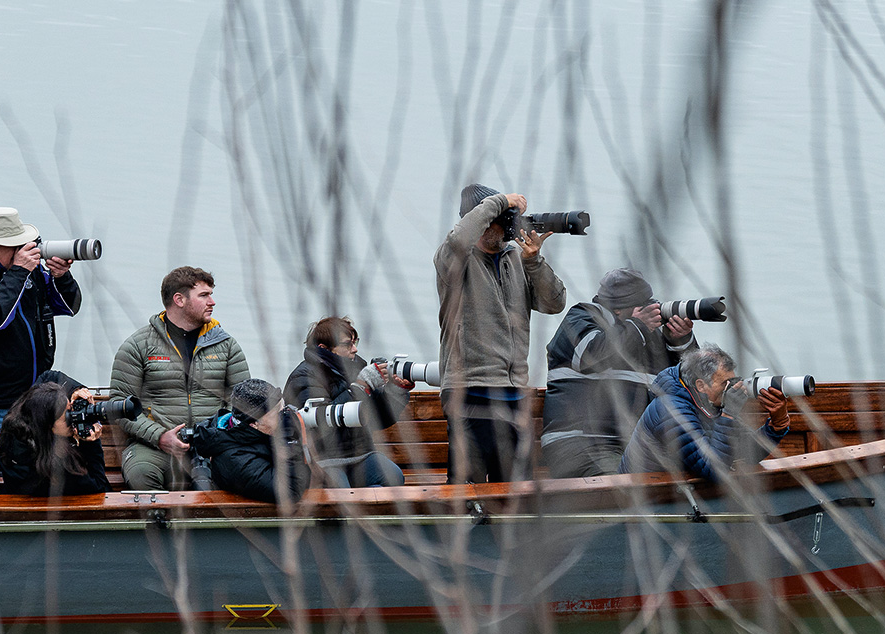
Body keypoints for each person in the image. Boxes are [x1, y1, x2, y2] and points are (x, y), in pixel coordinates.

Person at [434, 183, 568, 483]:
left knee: (515, 493)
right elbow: (460, 237)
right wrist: (501, 201)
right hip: (470, 391)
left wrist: (534, 261)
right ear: (480, 220)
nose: (508, 228)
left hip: (513, 394)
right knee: (467, 494)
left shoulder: (515, 260)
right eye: (501, 220)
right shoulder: (453, 261)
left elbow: (554, 302)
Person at [0, 206, 83, 495]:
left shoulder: (26, 272)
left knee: (34, 482)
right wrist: (20, 271)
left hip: (34, 398)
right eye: (14, 246)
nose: (23, 250)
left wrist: (60, 277)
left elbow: (68, 306)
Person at [541, 268, 694, 479]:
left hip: (632, 445)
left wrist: (681, 342)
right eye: (640, 307)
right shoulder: (583, 317)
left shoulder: (643, 333)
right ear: (618, 310)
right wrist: (638, 326)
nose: (649, 311)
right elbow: (589, 356)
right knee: (623, 483)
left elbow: (693, 383)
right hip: (582, 445)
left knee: (690, 477)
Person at [108, 266, 251, 491]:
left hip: (213, 444)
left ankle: (216, 526)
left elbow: (245, 401)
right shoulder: (137, 346)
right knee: (141, 473)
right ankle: (159, 525)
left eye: (211, 294)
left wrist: (220, 439)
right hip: (156, 446)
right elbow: (120, 406)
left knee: (243, 475)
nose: (212, 302)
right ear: (179, 300)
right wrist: (160, 436)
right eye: (204, 295)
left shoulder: (227, 345)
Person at [618, 344, 791, 482]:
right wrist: (729, 414)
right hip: (648, 501)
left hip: (680, 493)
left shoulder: (710, 402)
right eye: (726, 383)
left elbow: (747, 454)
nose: (731, 388)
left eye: (734, 380)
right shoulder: (670, 409)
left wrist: (778, 424)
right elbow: (713, 470)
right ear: (700, 385)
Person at [282, 316, 412, 488]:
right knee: (340, 493)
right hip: (323, 458)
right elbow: (320, 424)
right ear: (324, 348)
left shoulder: (358, 367)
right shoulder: (305, 376)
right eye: (347, 344)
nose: (355, 349)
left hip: (360, 454)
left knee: (393, 477)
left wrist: (395, 390)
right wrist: (360, 387)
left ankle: (367, 510)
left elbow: (377, 420)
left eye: (355, 341)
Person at [178, 379, 312, 506]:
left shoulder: (245, 430)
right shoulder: (236, 461)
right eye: (278, 412)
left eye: (284, 408)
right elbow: (290, 491)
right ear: (254, 424)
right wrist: (288, 439)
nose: (285, 414)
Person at [0, 373, 112, 498]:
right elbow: (100, 489)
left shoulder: (15, 434)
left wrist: (74, 390)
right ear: (48, 426)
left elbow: (48, 376)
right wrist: (91, 444)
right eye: (67, 417)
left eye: (71, 408)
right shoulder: (59, 468)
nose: (73, 419)